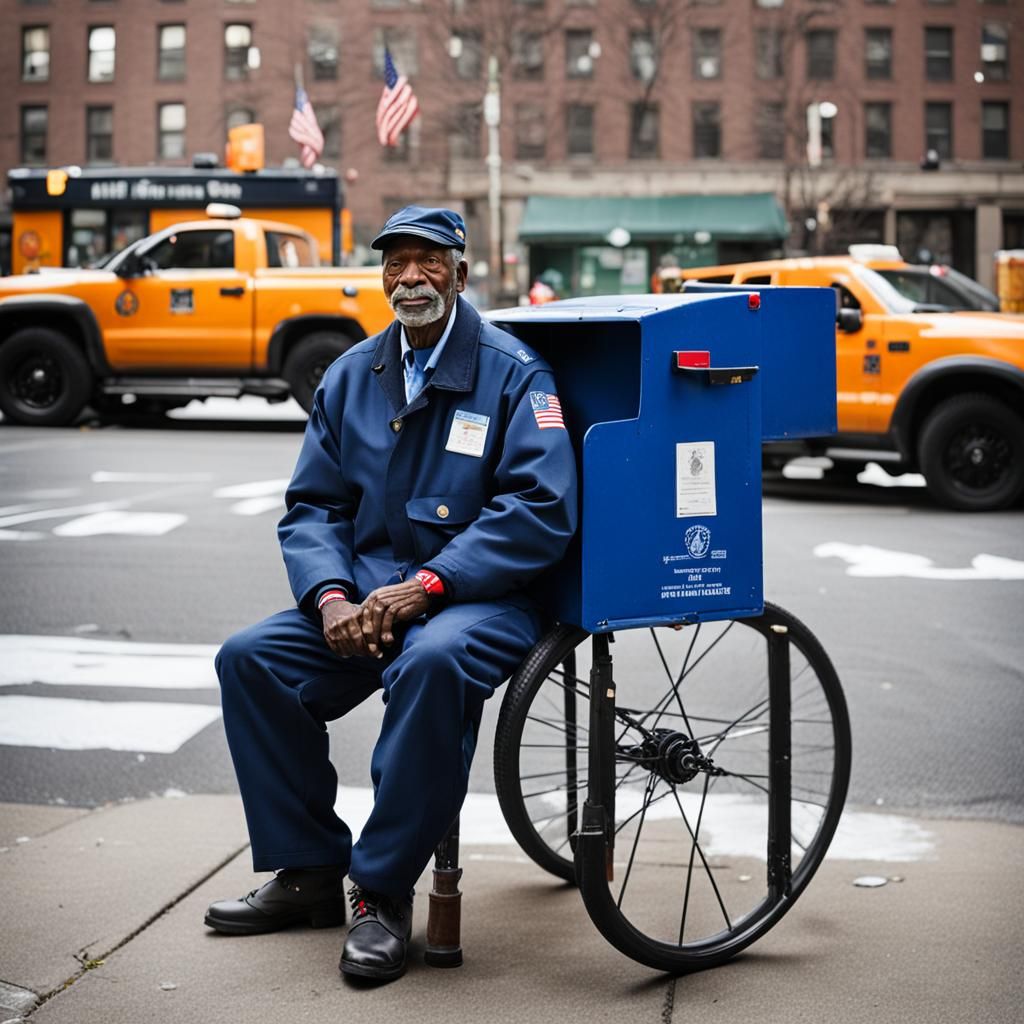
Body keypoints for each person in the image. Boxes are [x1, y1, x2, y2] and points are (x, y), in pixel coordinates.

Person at [204, 205, 578, 983]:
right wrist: (331, 599)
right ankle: (307, 872)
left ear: (462, 272)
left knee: (431, 665)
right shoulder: (352, 375)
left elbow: (540, 509)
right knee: (251, 661)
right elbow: (314, 506)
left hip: (481, 598)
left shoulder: (514, 374)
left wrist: (431, 584)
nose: (411, 278)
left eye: (429, 261)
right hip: (369, 601)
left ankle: (379, 891)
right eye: (395, 264)